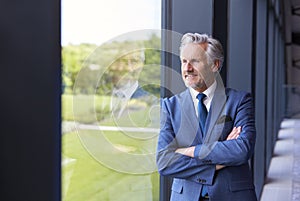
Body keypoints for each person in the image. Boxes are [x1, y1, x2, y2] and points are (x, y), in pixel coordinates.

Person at [156, 33, 257, 201]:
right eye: (183, 61)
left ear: (214, 65)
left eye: (195, 61)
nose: (187, 68)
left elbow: (242, 150)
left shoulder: (239, 101)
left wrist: (187, 151)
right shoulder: (170, 106)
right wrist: (220, 159)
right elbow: (164, 161)